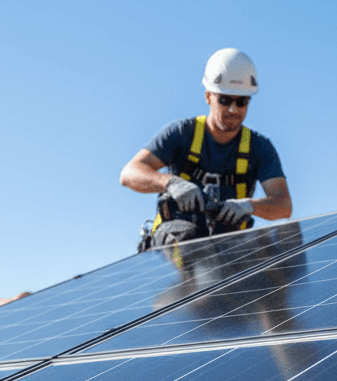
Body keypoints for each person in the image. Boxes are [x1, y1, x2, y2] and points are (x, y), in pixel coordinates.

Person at [120, 48, 292, 248]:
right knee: (195, 254)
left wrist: (249, 205)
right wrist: (170, 183)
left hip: (231, 243)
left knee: (274, 259)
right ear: (208, 97)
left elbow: (284, 206)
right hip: (178, 239)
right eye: (224, 100)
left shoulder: (259, 147)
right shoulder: (183, 133)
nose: (233, 109)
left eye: (241, 101)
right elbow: (129, 173)